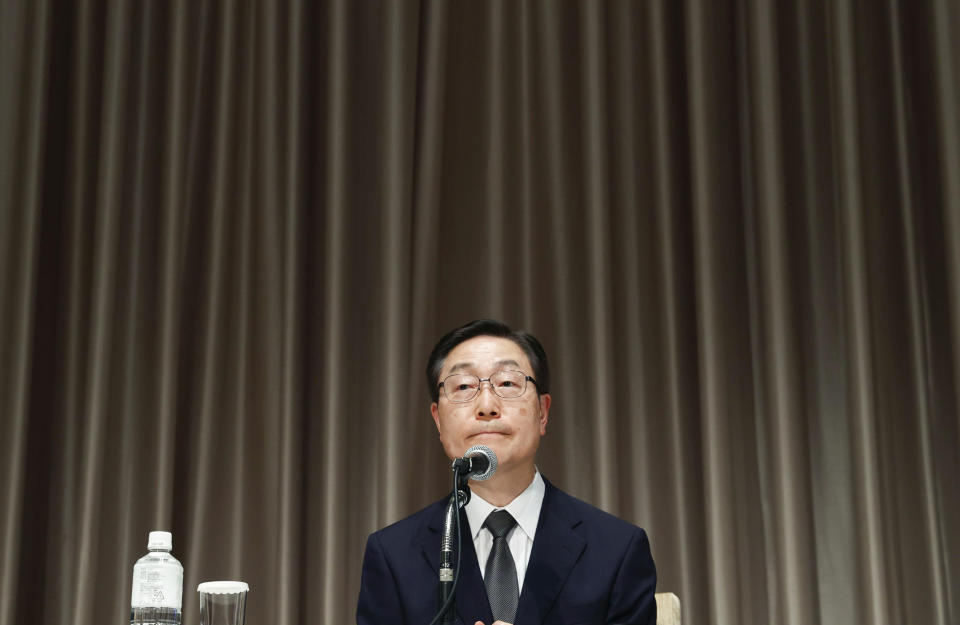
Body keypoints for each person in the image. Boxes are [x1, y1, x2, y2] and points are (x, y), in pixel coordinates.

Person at [356, 319, 657, 625]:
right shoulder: (392, 555)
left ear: (543, 412)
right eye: (462, 386)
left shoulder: (617, 549)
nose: (487, 405)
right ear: (438, 421)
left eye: (508, 384)